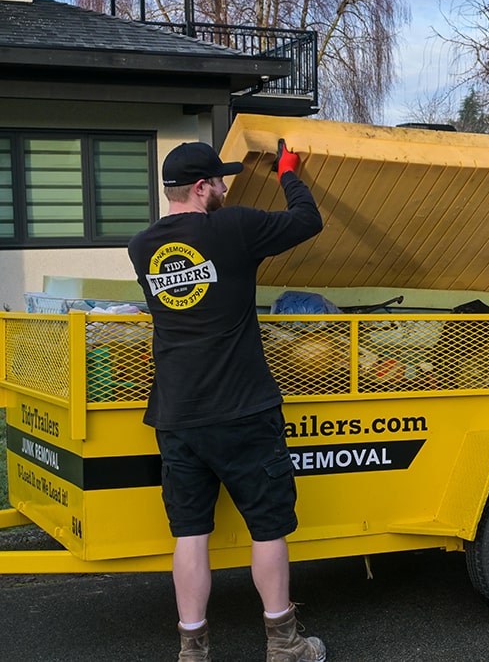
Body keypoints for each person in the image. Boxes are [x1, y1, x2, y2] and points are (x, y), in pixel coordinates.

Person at [128, 140, 326, 660]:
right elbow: (307, 221)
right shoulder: (234, 228)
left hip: (177, 414)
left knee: (190, 533)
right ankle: (284, 646)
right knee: (268, 527)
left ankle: (192, 651)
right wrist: (287, 173)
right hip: (243, 409)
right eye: (219, 180)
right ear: (200, 188)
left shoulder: (142, 247)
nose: (225, 187)